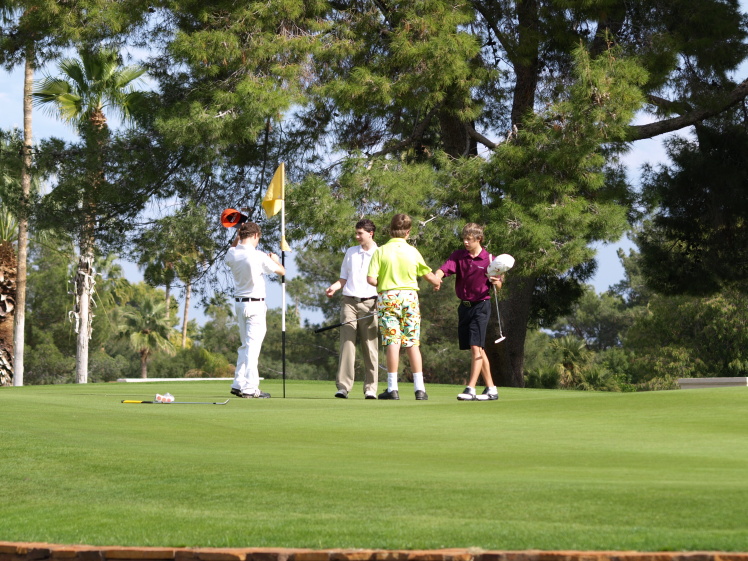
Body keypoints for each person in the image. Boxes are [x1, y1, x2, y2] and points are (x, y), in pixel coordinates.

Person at [367, 214, 442, 401]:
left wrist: (383, 282)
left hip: (388, 297)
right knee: (412, 342)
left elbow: (371, 279)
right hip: (409, 298)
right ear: (408, 232)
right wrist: (436, 283)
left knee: (393, 341)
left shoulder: (381, 251)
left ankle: (392, 388)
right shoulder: (412, 251)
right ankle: (420, 389)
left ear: (390, 230)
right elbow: (428, 275)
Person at [434, 223, 503, 401]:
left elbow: (499, 285)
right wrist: (437, 278)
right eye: (464, 239)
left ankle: (470, 388)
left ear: (479, 239)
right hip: (464, 307)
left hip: (481, 305)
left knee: (475, 347)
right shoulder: (459, 256)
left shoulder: (490, 259)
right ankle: (491, 389)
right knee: (478, 348)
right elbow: (443, 269)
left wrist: (496, 282)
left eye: (469, 239)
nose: (465, 242)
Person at [225, 221, 285, 398]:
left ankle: (238, 383)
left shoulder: (232, 254)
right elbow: (282, 271)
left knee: (245, 346)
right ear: (255, 235)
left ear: (240, 235)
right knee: (252, 348)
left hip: (240, 304)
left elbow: (233, 248)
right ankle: (250, 388)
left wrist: (238, 236)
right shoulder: (258, 256)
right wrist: (275, 259)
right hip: (255, 305)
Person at [325, 219, 380, 399]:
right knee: (347, 344)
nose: (357, 236)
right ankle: (343, 387)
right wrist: (334, 287)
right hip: (349, 302)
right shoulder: (351, 252)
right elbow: (344, 278)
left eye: (360, 233)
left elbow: (383, 281)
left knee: (370, 347)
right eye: (356, 233)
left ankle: (370, 388)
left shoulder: (380, 253)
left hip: (371, 304)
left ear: (370, 233)